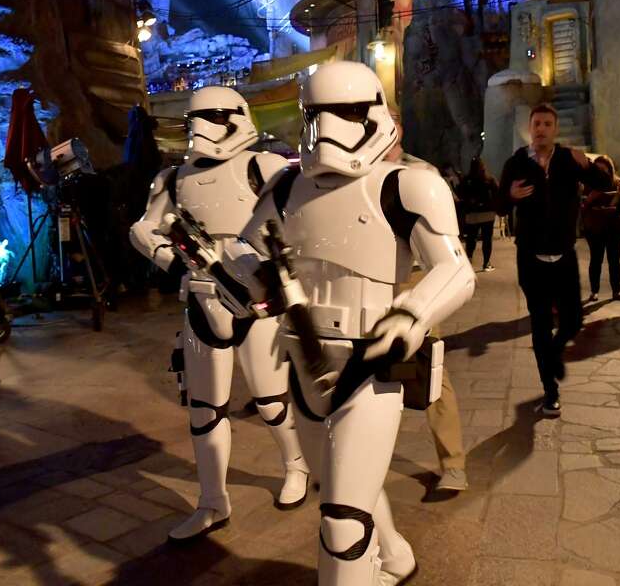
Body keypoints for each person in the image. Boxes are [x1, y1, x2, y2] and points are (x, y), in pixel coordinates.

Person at [180, 62, 474, 585]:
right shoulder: (288, 186)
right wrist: (232, 277)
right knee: (340, 485)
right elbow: (250, 253)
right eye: (317, 114)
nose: (329, 128)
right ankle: (396, 555)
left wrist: (409, 316)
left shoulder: (409, 185)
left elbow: (454, 270)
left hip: (368, 362)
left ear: (375, 115)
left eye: (346, 112)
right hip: (302, 357)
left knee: (341, 521)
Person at [129, 86, 309, 543]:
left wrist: (277, 265)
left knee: (271, 400)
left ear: (235, 117)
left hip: (256, 298)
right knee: (204, 409)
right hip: (202, 297)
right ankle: (212, 500)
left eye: (210, 117)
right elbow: (144, 227)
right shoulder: (172, 179)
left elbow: (301, 221)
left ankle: (296, 465)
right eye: (195, 120)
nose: (200, 128)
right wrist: (170, 256)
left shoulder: (263, 166)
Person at [498, 104, 610, 416]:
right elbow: (498, 206)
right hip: (530, 257)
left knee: (573, 319)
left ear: (555, 129)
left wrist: (586, 167)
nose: (541, 129)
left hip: (564, 254)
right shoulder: (517, 162)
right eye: (537, 123)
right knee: (540, 323)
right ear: (530, 128)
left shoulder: (568, 159)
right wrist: (510, 196)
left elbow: (605, 183)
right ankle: (550, 391)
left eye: (547, 123)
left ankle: (554, 352)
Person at [384, 117, 468, 494]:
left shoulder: (419, 173)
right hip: (367, 285)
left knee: (431, 371)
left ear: (398, 128)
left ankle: (453, 464)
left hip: (414, 281)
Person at [581, 155, 620, 303]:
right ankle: (594, 292)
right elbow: (582, 206)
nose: (601, 172)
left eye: (604, 169)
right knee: (596, 260)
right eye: (598, 169)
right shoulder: (588, 184)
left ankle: (616, 291)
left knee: (614, 260)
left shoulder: (617, 182)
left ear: (610, 169)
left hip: (613, 227)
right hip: (594, 227)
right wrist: (590, 198)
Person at [457, 158, 499, 272]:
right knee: (487, 239)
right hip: (488, 213)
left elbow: (460, 193)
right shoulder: (489, 179)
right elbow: (497, 193)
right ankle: (486, 263)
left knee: (471, 238)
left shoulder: (467, 180)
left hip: (472, 214)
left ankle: (469, 260)